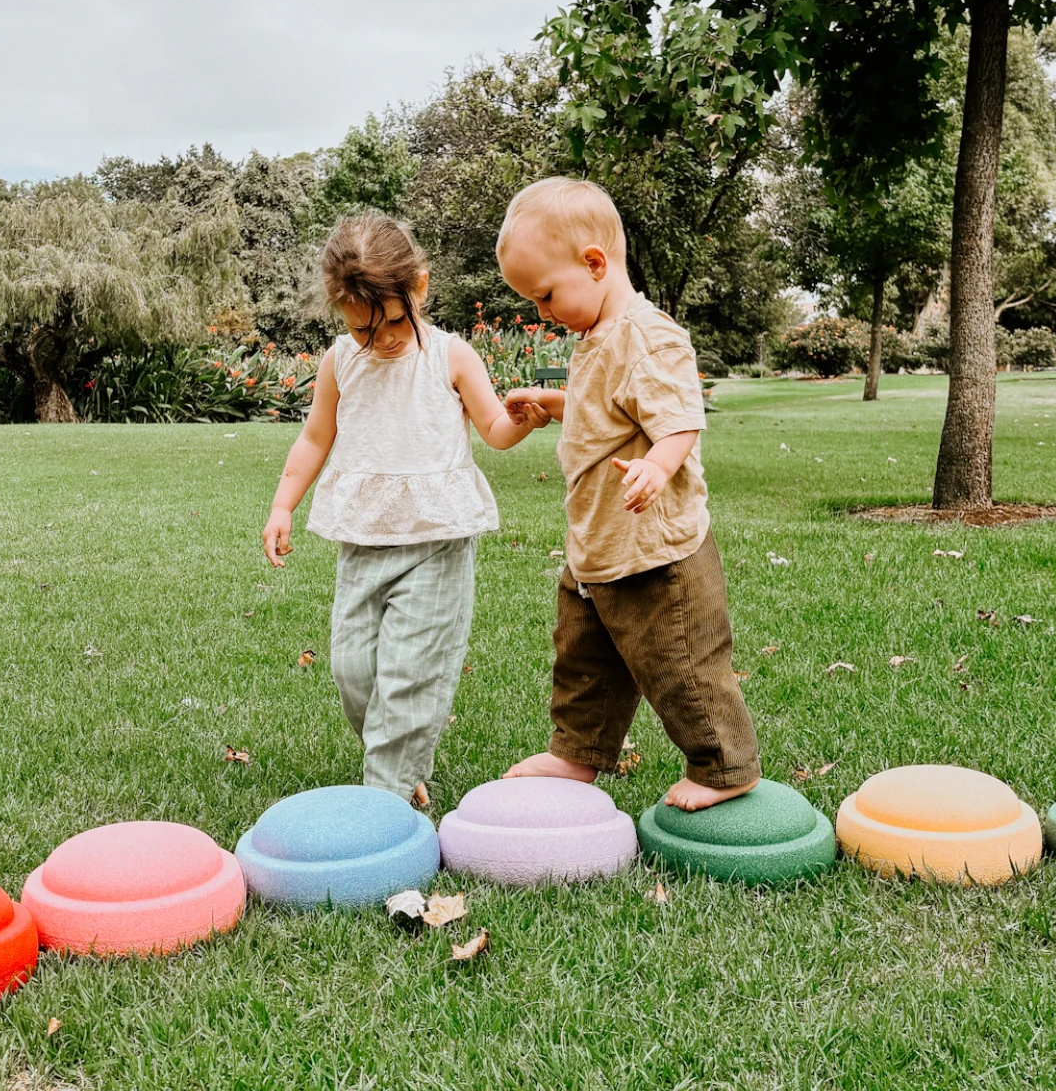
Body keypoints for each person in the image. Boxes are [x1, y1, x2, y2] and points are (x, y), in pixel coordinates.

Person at [263, 210, 549, 806]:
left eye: (394, 320)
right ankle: (400, 758)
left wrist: (521, 421)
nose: (384, 339)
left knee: (409, 672)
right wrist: (283, 505)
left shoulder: (451, 356)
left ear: (419, 287)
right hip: (364, 541)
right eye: (363, 329)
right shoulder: (340, 362)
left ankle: (387, 801)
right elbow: (315, 438)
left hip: (435, 540)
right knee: (353, 670)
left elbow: (494, 430)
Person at [498, 177, 760, 810]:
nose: (543, 313)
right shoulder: (598, 334)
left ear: (594, 263)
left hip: (653, 552)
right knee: (584, 661)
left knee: (679, 664)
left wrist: (657, 467)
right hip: (598, 546)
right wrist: (554, 402)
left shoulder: (648, 335)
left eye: (545, 295)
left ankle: (726, 766)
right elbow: (608, 411)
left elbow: (680, 419)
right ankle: (578, 752)